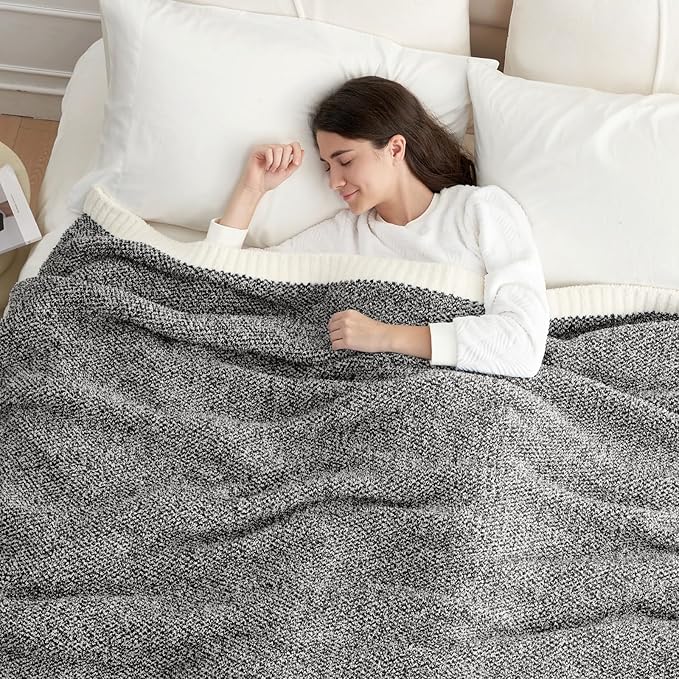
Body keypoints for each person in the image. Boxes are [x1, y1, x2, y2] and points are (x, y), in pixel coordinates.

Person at [205, 76, 550, 379]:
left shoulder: (479, 210)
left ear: (395, 148)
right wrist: (251, 190)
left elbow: (523, 343)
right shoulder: (344, 234)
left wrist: (386, 336)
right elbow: (221, 291)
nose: (334, 182)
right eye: (327, 167)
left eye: (345, 161)